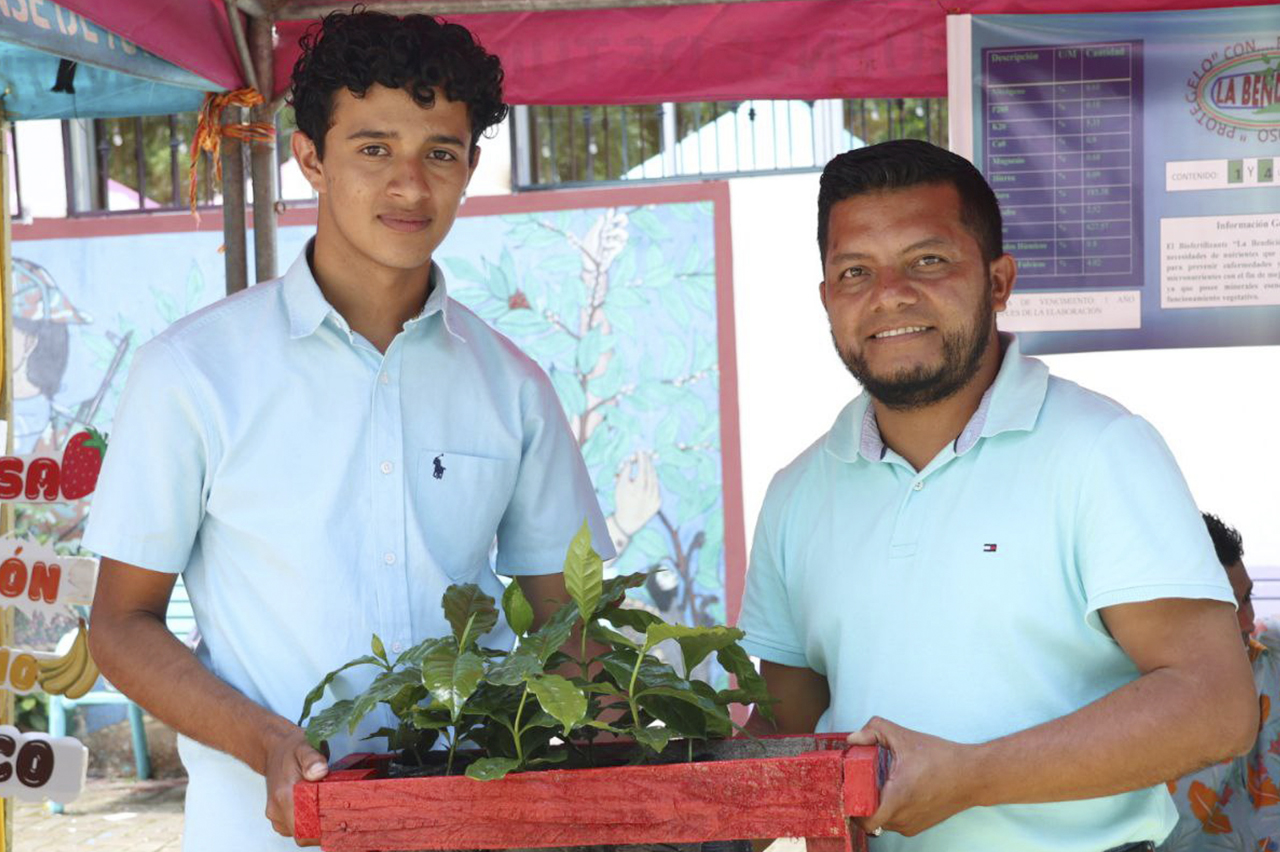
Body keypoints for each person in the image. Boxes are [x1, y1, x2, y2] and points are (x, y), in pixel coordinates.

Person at [82, 11, 613, 850]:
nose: (409, 185)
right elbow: (119, 624)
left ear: (470, 167)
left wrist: (670, 729)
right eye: (373, 149)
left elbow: (570, 627)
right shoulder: (192, 372)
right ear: (310, 161)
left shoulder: (513, 387)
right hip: (259, 834)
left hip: (466, 829)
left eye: (439, 152)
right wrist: (266, 744)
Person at [737, 139, 1255, 851]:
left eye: (928, 260)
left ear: (998, 280)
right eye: (855, 270)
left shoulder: (1100, 450)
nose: (890, 292)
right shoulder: (797, 491)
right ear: (828, 299)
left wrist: (973, 776)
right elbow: (786, 725)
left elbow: (1215, 706)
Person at [1162, 514, 1280, 850]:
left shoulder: (1265, 661)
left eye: (1248, 598)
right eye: (1230, 605)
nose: (1249, 620)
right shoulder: (1117, 703)